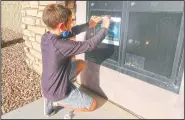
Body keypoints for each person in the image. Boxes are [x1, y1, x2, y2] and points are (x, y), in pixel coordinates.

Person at [41, 3, 110, 117]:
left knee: (81, 64)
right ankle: (57, 100)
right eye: (70, 21)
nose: (72, 23)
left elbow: (70, 32)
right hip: (55, 91)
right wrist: (105, 28)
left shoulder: (47, 36)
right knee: (91, 105)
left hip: (47, 82)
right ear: (61, 26)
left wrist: (89, 24)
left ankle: (51, 95)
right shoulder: (62, 45)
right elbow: (90, 45)